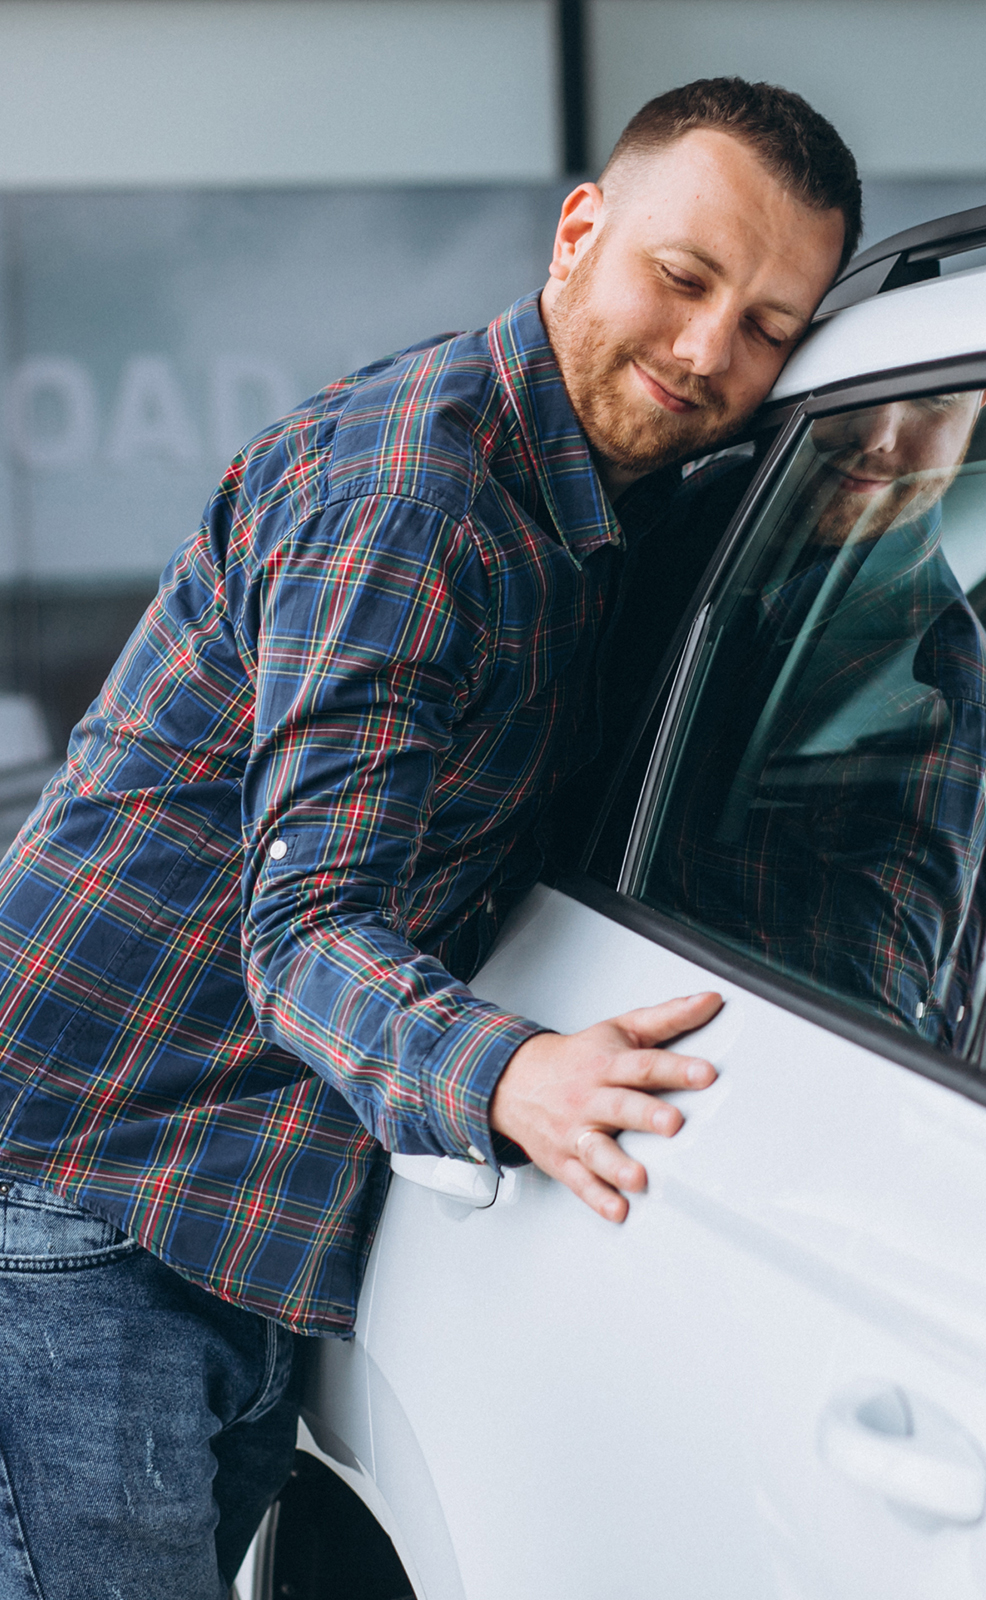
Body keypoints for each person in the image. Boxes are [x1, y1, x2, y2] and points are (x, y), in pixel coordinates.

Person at [0, 78, 859, 1596]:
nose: (710, 350)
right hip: (82, 1192)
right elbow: (304, 927)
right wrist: (513, 1070)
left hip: (237, 1192)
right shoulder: (417, 496)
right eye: (685, 277)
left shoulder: (618, 498)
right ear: (580, 231)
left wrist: (892, 527)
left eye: (772, 325)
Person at [644, 389, 986, 1045]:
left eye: (933, 402)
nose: (879, 435)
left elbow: (851, 1039)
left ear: (981, 404)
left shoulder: (941, 694)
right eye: (864, 395)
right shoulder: (699, 505)